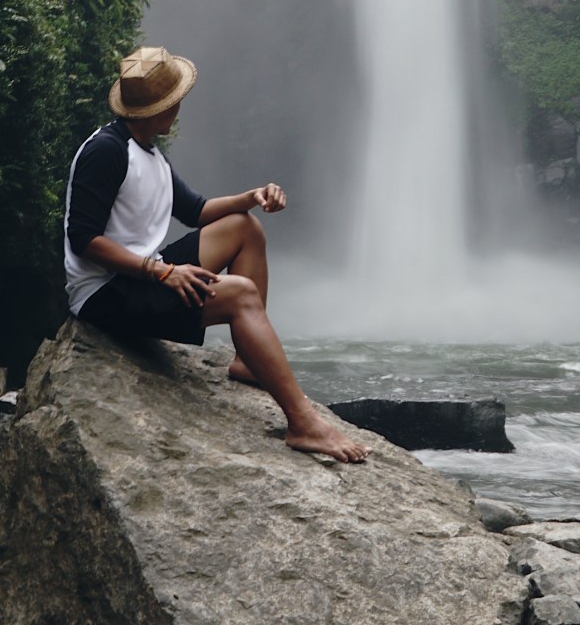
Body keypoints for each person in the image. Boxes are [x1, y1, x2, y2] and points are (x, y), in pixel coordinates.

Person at [63, 45, 368, 463]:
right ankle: (303, 424)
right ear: (161, 107)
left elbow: (196, 211)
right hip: (105, 294)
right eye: (176, 100)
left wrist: (252, 197)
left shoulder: (147, 150)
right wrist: (161, 271)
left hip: (141, 276)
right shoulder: (107, 152)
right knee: (241, 294)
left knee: (244, 227)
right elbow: (83, 238)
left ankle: (247, 359)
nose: (181, 106)